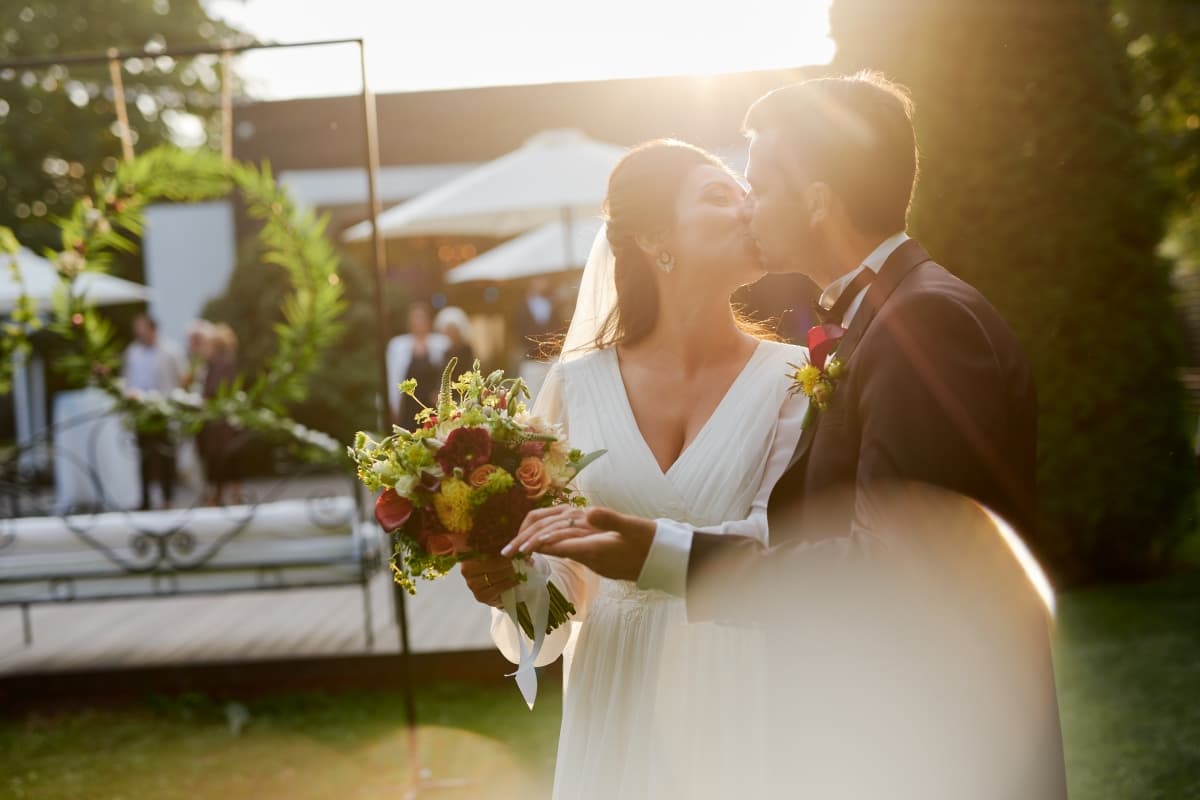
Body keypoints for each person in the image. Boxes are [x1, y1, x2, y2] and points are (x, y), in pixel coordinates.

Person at [512, 73, 1068, 798]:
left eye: (760, 186)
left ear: (816, 198)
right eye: (730, 191)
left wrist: (664, 555)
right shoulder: (876, 321)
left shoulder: (922, 322)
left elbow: (892, 570)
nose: (749, 207)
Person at [460, 140, 808, 799]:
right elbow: (560, 593)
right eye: (718, 194)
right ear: (655, 238)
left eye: (747, 193)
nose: (748, 206)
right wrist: (509, 579)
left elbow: (784, 549)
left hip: (739, 679)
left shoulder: (796, 379)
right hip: (615, 686)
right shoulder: (577, 385)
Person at [121, 313, 186, 510]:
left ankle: (167, 497)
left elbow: (183, 376)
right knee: (144, 456)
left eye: (142, 328)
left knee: (166, 454)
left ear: (153, 329)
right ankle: (145, 499)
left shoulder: (170, 351)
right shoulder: (132, 352)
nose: (139, 333)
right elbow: (127, 378)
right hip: (141, 410)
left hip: (163, 409)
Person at [196, 323, 243, 505]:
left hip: (222, 421)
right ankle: (222, 495)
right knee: (219, 458)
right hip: (217, 420)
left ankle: (227, 495)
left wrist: (208, 400)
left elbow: (219, 389)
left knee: (225, 458)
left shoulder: (224, 364)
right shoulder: (214, 364)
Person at [386, 302, 450, 429]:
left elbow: (447, 373)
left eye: (422, 318)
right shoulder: (398, 346)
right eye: (415, 318)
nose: (418, 323)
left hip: (432, 404)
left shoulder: (441, 344)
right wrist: (393, 406)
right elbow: (392, 378)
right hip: (409, 407)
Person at [511, 275, 560, 396]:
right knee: (530, 396)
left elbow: (558, 328)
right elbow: (519, 330)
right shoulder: (521, 307)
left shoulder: (553, 304)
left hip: (551, 358)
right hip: (531, 359)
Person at [434, 305, 476, 377]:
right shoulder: (442, 349)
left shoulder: (466, 350)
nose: (451, 333)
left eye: (453, 330)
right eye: (448, 330)